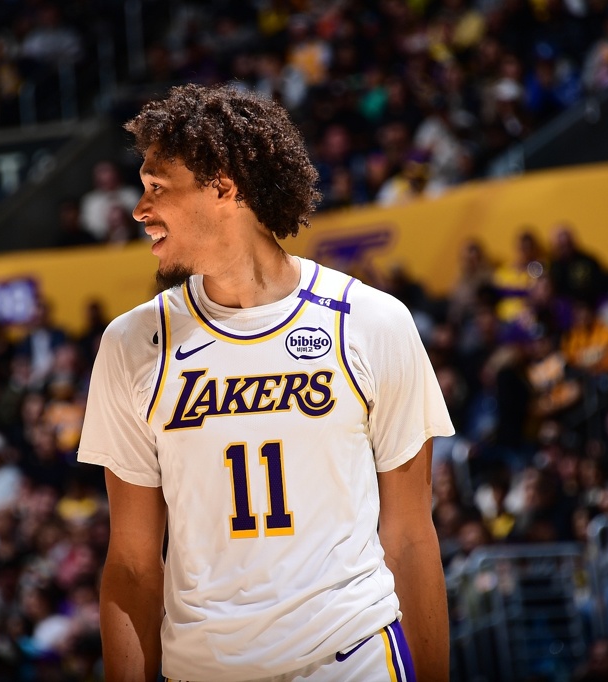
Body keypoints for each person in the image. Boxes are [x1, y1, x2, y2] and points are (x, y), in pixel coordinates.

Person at [77, 84, 453, 681]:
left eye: (157, 188)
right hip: (202, 669)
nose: (139, 210)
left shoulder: (371, 322)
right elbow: (131, 564)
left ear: (223, 187)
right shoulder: (131, 344)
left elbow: (409, 535)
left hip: (352, 658)